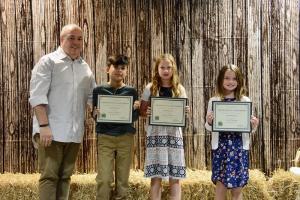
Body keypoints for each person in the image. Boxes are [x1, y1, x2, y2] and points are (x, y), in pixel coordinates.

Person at [29, 24, 96, 200]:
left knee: (65, 177)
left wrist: (105, 114)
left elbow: (92, 98)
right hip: (51, 131)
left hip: (74, 133)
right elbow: (37, 97)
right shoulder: (48, 62)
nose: (76, 42)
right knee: (49, 177)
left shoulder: (85, 67)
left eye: (80, 38)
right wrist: (44, 126)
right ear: (61, 39)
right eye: (71, 37)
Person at [205, 64, 259, 200]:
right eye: (227, 78)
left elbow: (249, 128)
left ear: (239, 81)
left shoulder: (245, 101)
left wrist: (253, 125)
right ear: (221, 80)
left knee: (237, 188)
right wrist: (210, 122)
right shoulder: (214, 101)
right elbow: (208, 126)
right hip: (221, 148)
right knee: (220, 186)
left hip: (239, 148)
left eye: (234, 78)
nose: (230, 81)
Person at [140, 53, 189, 200]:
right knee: (156, 177)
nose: (166, 70)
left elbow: (184, 112)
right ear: (157, 69)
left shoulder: (180, 89)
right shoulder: (150, 88)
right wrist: (146, 111)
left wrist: (186, 111)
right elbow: (142, 112)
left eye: (168, 67)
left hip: (174, 135)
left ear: (173, 68)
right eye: (162, 67)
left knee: (175, 177)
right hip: (156, 135)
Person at [92, 55, 140, 200]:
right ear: (108, 69)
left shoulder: (131, 91)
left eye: (123, 68)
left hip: (125, 137)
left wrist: (135, 109)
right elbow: (96, 115)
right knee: (104, 179)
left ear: (126, 71)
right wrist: (94, 113)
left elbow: (134, 118)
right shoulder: (99, 90)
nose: (119, 71)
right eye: (116, 67)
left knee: (122, 179)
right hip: (105, 137)